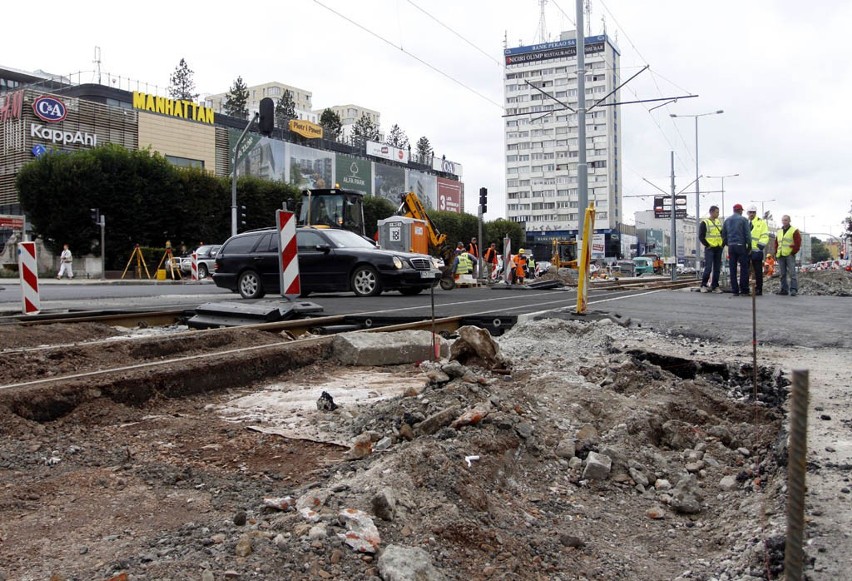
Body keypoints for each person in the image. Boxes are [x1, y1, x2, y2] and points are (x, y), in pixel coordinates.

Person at [721, 203, 751, 296]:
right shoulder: (744, 220)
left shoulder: (727, 220)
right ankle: (744, 289)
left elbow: (723, 234)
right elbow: (747, 234)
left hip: (731, 246)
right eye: (742, 210)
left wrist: (727, 243)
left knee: (732, 268)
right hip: (741, 245)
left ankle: (735, 290)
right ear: (740, 210)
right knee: (744, 268)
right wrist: (749, 245)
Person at [698, 205, 724, 293]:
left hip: (718, 247)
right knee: (708, 267)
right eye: (717, 212)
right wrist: (707, 245)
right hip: (710, 248)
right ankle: (703, 285)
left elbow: (722, 234)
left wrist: (722, 244)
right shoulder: (704, 223)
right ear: (711, 212)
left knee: (717, 268)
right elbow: (701, 236)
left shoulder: (718, 222)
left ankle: (715, 285)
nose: (718, 214)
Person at [774, 215, 801, 296]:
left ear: (789, 221)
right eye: (783, 220)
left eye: (786, 220)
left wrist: (793, 252)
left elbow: (798, 242)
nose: (784, 222)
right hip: (780, 254)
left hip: (789, 254)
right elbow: (776, 243)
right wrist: (776, 252)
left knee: (792, 273)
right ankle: (784, 289)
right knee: (782, 273)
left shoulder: (794, 230)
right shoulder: (779, 231)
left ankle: (793, 289)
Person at [747, 205, 770, 296]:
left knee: (758, 271)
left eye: (753, 212)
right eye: (750, 212)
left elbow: (765, 235)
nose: (752, 214)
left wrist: (759, 246)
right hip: (747, 250)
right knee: (746, 270)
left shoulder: (761, 223)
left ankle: (758, 289)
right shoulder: (745, 222)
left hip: (757, 251)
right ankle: (745, 288)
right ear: (748, 213)